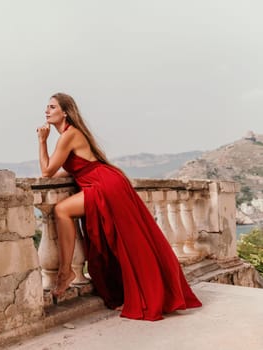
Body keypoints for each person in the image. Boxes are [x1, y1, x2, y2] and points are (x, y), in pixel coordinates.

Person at [36, 92, 202, 321]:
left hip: (105, 184)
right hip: (104, 182)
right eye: (47, 107)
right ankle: (71, 272)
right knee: (121, 240)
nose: (47, 110)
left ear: (65, 111)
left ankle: (66, 272)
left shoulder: (69, 134)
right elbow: (71, 170)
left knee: (65, 211)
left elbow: (46, 171)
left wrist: (42, 141)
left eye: (52, 106)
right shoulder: (68, 136)